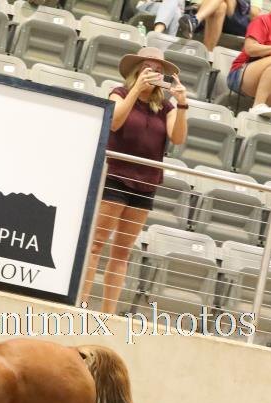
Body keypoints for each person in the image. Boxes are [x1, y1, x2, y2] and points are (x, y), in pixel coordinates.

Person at [80, 47, 188, 314]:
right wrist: (136, 90)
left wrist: (182, 104)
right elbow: (114, 122)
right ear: (137, 71)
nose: (154, 73)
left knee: (122, 251)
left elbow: (177, 138)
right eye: (149, 68)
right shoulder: (119, 93)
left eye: (159, 70)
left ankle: (109, 314)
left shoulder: (165, 107)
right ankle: (81, 306)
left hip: (146, 182)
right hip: (115, 176)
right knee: (96, 243)